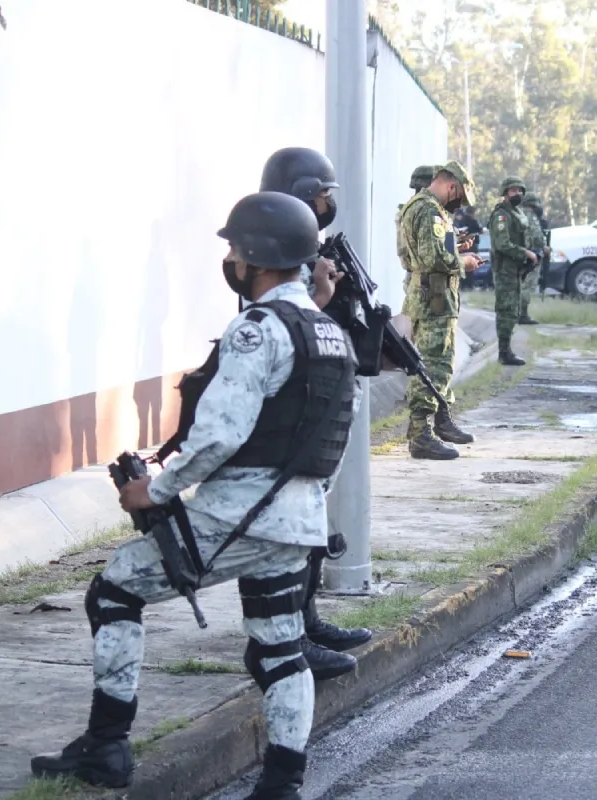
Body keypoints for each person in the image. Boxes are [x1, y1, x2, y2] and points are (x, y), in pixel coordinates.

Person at [31, 192, 360, 798]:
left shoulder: (257, 329)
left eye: (234, 248)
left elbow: (218, 435)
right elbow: (334, 431)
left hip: (237, 514)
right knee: (281, 646)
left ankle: (107, 747)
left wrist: (152, 491)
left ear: (255, 257)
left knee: (112, 592)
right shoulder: (329, 330)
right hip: (298, 518)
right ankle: (283, 783)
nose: (229, 257)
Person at [258, 147, 373, 683]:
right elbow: (288, 322)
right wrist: (323, 295)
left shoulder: (306, 250)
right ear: (303, 194)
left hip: (318, 401)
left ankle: (307, 620)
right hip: (292, 407)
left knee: (311, 520)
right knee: (293, 526)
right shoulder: (271, 253)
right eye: (322, 194)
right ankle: (289, 639)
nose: (328, 204)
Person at [399, 161, 481, 460]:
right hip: (432, 298)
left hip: (435, 297)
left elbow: (433, 251)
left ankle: (439, 421)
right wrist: (465, 263)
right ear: (451, 185)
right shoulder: (428, 209)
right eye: (458, 196)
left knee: (439, 362)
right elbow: (431, 259)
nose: (457, 204)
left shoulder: (427, 209)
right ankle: (420, 436)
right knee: (430, 367)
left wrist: (456, 248)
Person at [488, 176, 536, 365]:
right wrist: (525, 252)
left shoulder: (516, 212)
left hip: (516, 269)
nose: (517, 194)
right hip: (505, 270)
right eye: (513, 191)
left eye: (519, 190)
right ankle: (504, 352)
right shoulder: (502, 215)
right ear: (505, 192)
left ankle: (507, 349)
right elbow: (502, 244)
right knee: (506, 310)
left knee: (513, 310)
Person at [400, 165, 439, 319]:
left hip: (413, 276)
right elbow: (431, 253)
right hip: (425, 279)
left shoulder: (408, 209)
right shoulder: (426, 210)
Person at [520, 193, 548, 325]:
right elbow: (536, 236)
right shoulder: (531, 217)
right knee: (528, 286)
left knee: (519, 285)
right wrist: (544, 246)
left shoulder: (517, 214)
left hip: (519, 254)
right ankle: (522, 315)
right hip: (531, 255)